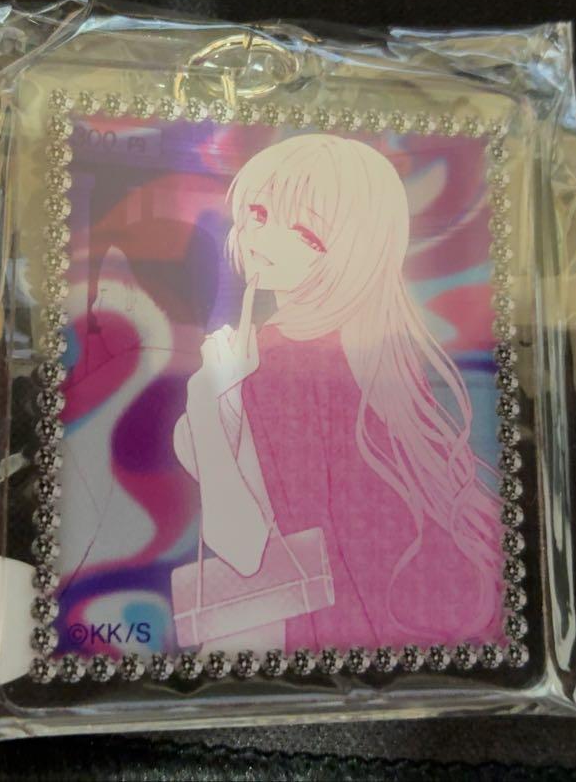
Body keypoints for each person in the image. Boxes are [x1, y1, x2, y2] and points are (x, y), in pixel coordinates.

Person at [173, 134, 503, 652]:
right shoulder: (372, 352)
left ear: (353, 254)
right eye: (259, 213)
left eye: (306, 235)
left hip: (336, 623)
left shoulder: (282, 362)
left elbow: (242, 546)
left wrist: (206, 396)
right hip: (394, 618)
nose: (263, 239)